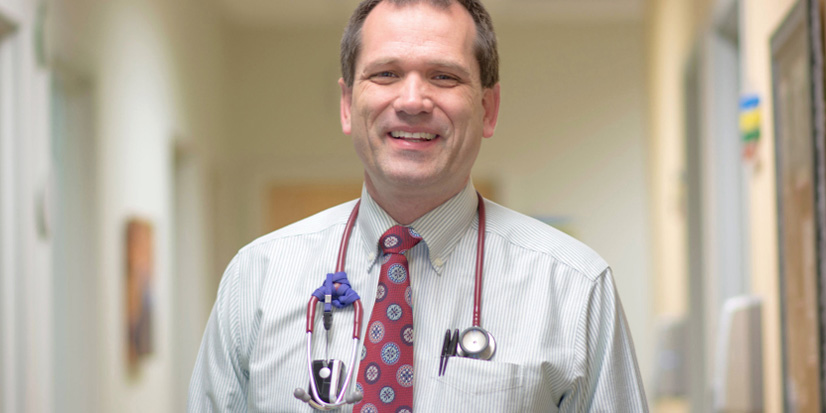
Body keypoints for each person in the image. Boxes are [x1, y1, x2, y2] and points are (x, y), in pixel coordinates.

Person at [188, 0, 648, 411]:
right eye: (385, 74)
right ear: (347, 104)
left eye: (443, 76)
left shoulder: (573, 288)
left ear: (488, 108)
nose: (412, 101)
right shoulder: (257, 279)